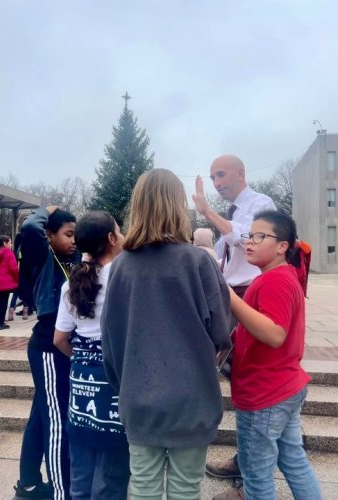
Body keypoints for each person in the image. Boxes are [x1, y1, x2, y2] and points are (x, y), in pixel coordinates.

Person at [101, 168, 233, 500]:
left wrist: (126, 385)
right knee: (186, 487)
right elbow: (221, 331)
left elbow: (110, 340)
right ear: (177, 206)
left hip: (139, 396)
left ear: (138, 206)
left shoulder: (120, 267)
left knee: (142, 484)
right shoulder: (198, 262)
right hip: (192, 396)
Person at [213, 209, 321, 500]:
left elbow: (275, 334)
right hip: (281, 387)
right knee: (293, 461)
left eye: (260, 236)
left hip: (266, 393)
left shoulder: (275, 280)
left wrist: (230, 297)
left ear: (282, 246)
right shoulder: (276, 277)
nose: (249, 242)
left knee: (256, 473)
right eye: (249, 235)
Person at [193, 154, 276, 482]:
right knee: (236, 376)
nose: (217, 183)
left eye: (222, 175)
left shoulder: (261, 203)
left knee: (250, 378)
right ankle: (248, 462)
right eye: (213, 177)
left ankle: (251, 473)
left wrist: (207, 213)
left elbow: (246, 239)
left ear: (241, 173)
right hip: (232, 297)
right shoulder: (235, 211)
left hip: (251, 295)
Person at [54, 211, 130, 500]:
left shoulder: (71, 283)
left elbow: (60, 338)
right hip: (116, 381)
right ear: (111, 238)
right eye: (119, 232)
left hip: (82, 385)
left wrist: (82, 360)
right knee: (111, 477)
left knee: (81, 474)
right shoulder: (125, 278)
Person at [13, 206, 78, 500]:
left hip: (60, 346)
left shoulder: (73, 259)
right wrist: (45, 210)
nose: (74, 240)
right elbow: (29, 228)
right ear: (49, 236)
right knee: (55, 420)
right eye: (68, 234)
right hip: (48, 349)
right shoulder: (44, 258)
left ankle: (27, 484)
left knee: (40, 417)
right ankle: (61, 490)